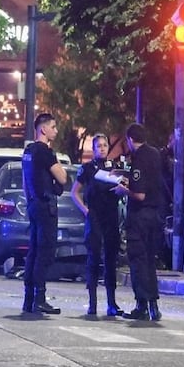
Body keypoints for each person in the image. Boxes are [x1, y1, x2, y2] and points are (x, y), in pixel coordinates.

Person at [112, 123, 164, 321]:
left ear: (131, 140)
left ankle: (141, 305)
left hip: (140, 217)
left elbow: (140, 194)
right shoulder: (155, 154)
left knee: (138, 261)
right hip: (155, 216)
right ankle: (153, 306)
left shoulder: (140, 158)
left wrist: (124, 190)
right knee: (150, 261)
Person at [71, 134, 125, 316]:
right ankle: (92, 303)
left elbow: (125, 188)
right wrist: (85, 210)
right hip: (94, 216)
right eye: (98, 146)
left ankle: (112, 303)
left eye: (104, 145)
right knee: (93, 258)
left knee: (111, 259)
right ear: (93, 149)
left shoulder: (115, 168)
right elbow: (75, 192)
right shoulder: (87, 168)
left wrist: (122, 190)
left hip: (111, 216)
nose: (102, 148)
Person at [21, 113, 67, 314]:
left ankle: (29, 297)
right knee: (45, 251)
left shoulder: (28, 151)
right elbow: (63, 178)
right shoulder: (44, 152)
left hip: (33, 204)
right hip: (46, 205)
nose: (55, 131)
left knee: (33, 251)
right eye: (53, 127)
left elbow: (25, 181)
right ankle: (40, 297)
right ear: (43, 129)